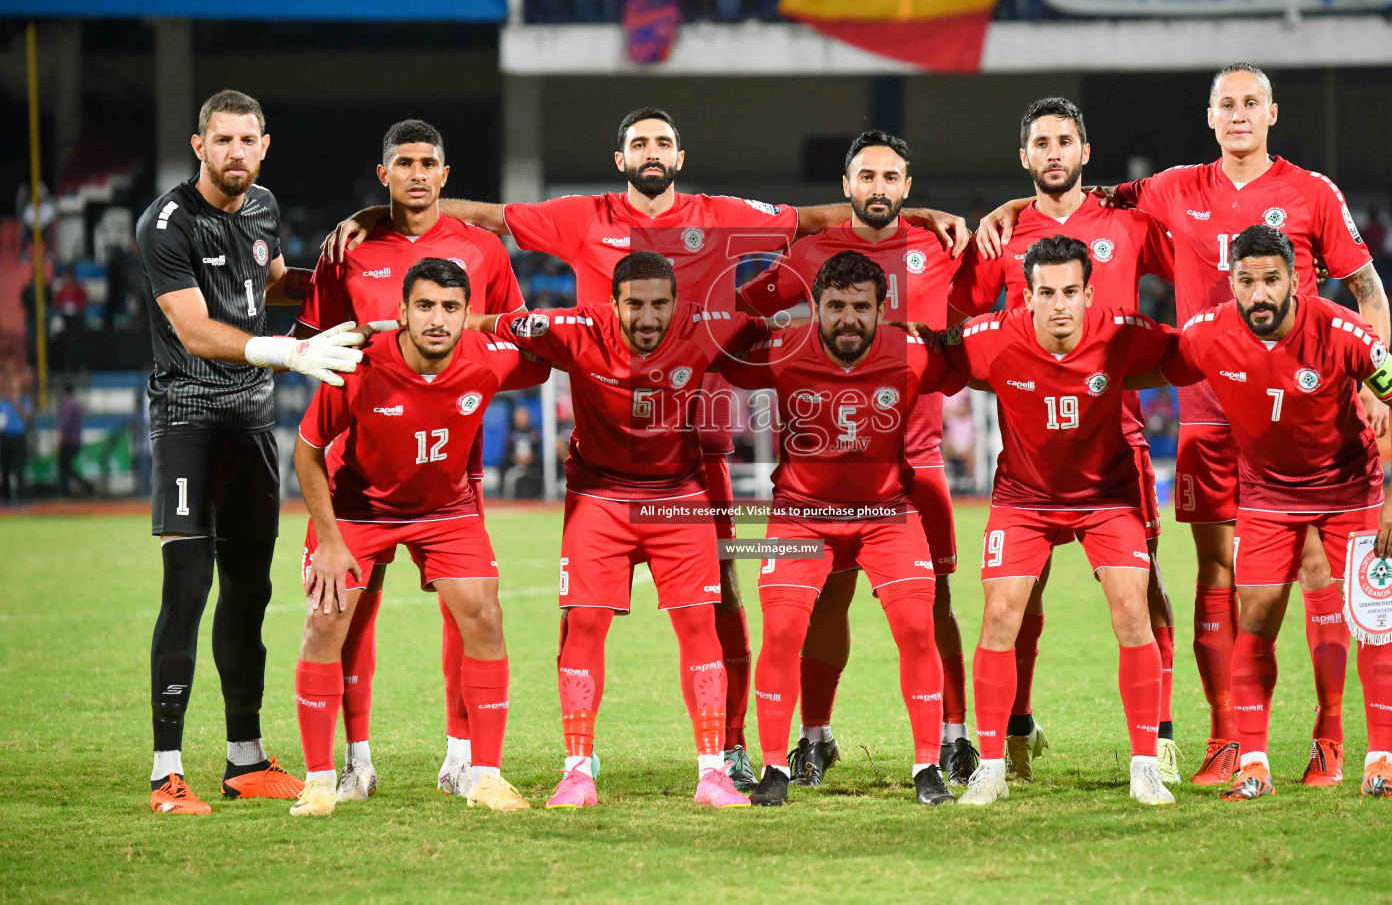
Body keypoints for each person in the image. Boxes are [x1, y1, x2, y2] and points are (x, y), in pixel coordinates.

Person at [322, 106, 969, 791]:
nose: (651, 151)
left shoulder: (719, 213)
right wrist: (390, 208)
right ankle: (581, 758)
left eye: (663, 142)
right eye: (639, 143)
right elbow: (492, 215)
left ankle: (732, 748)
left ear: (679, 157)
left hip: (696, 450)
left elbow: (811, 219)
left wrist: (909, 211)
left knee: (721, 606)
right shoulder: (581, 217)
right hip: (603, 453)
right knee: (584, 614)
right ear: (620, 155)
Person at [982, 62, 1392, 786]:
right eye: (1225, 104)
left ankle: (1330, 736)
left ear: (1272, 113)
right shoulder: (1173, 189)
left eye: (1250, 103)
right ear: (1210, 118)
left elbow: (1367, 289)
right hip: (1209, 408)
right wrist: (1013, 208)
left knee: (1316, 566)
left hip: (1304, 408)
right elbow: (1078, 198)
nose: (1238, 114)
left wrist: (1375, 384)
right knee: (1218, 568)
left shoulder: (1311, 192)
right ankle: (1225, 739)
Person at [134, 89, 363, 815]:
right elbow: (197, 330)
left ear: (264, 147)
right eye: (222, 140)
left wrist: (348, 278)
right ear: (199, 145)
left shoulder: (261, 207)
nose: (236, 152)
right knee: (188, 588)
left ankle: (245, 760)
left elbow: (268, 285)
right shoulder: (165, 224)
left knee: (251, 593)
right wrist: (286, 350)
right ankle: (166, 772)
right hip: (188, 426)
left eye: (247, 140)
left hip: (251, 429)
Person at [949, 97, 1181, 784]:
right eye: (1041, 143)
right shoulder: (1004, 234)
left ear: (1084, 151)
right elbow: (961, 324)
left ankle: (1160, 735)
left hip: (1119, 438)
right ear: (1025, 157)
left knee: (1142, 589)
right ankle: (1015, 727)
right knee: (1019, 598)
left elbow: (1194, 271)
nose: (1053, 152)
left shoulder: (1126, 223)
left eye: (1065, 141)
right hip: (1030, 449)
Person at [294, 120, 527, 802]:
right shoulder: (350, 250)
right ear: (384, 172)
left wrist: (459, 384)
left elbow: (512, 340)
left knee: (472, 609)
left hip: (454, 468)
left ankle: (465, 760)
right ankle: (353, 761)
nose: (419, 174)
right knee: (346, 615)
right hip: (361, 463)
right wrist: (378, 386)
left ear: (446, 176)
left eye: (430, 163)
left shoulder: (484, 251)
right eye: (405, 163)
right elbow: (316, 343)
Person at [487, 251, 771, 810]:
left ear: (676, 303)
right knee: (585, 624)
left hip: (679, 498)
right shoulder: (573, 328)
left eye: (658, 304)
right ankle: (576, 771)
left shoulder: (705, 326)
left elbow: (777, 325)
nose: (647, 317)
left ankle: (713, 772)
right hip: (600, 497)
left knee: (700, 623)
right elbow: (492, 324)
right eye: (634, 304)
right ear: (611, 304)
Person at [736, 131, 974, 787]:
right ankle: (813, 736)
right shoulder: (811, 252)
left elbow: (967, 331)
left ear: (906, 186)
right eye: (864, 176)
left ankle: (953, 736)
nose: (876, 187)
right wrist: (788, 337)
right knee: (824, 600)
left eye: (890, 178)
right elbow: (748, 311)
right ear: (846, 186)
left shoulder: (940, 245)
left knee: (932, 601)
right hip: (823, 468)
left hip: (913, 455)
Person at [1153, 226, 1392, 799]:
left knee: (1377, 620)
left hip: (1351, 491)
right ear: (1231, 283)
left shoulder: (1341, 330)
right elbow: (1151, 367)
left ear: (1295, 280)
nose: (1258, 294)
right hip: (1268, 497)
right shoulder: (1206, 334)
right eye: (1246, 281)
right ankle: (1254, 763)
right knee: (1257, 616)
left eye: (1271, 280)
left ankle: (1380, 762)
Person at [55, 384, 94, 497]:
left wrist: (60, 441)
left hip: (68, 441)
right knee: (67, 467)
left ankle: (66, 492)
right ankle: (84, 486)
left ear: (64, 392)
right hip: (75, 440)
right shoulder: (76, 405)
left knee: (64, 467)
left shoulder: (67, 406)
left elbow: (64, 425)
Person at [0, 373, 30, 502]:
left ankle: (20, 495)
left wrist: (16, 403)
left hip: (19, 437)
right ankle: (6, 495)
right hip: (5, 437)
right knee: (5, 467)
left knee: (19, 467)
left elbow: (26, 417)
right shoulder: (3, 403)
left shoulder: (24, 401)